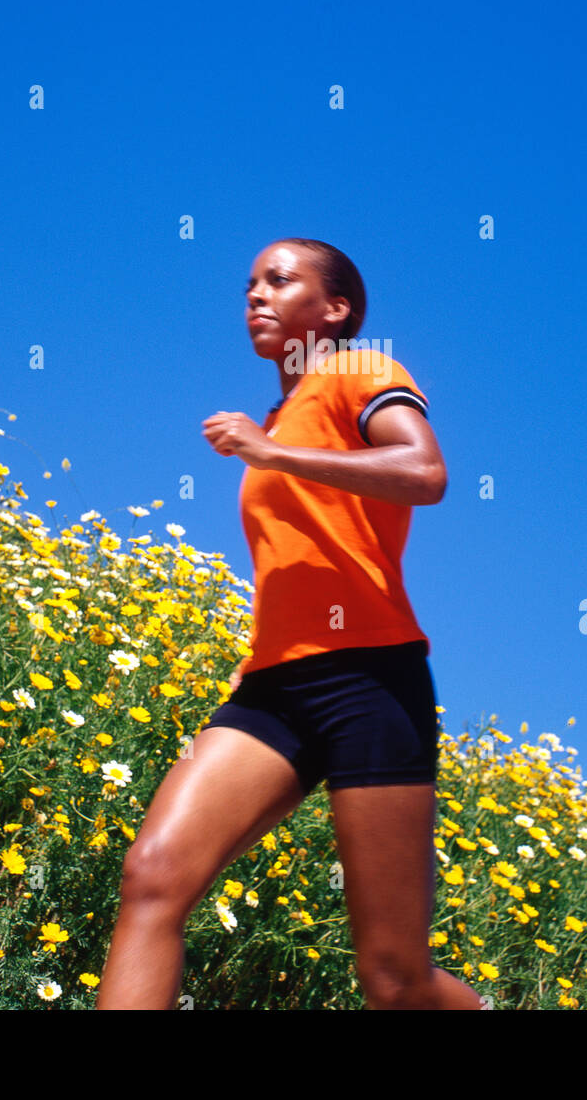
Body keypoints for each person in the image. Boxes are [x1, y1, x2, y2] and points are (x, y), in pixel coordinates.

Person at [95, 238, 482, 1010]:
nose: (256, 296)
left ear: (334, 309)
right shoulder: (279, 417)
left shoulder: (359, 370)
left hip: (370, 681)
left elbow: (425, 473)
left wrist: (274, 453)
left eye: (279, 281)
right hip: (273, 688)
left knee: (394, 981)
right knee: (153, 878)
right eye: (249, 285)